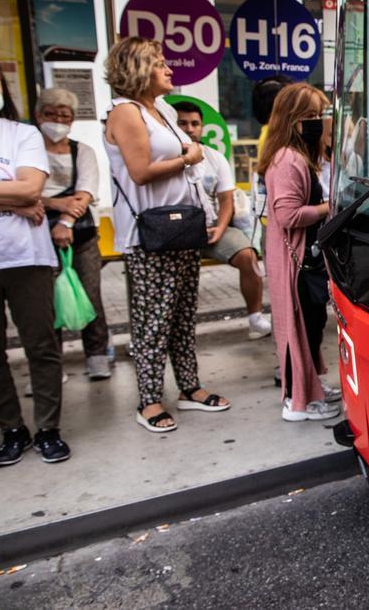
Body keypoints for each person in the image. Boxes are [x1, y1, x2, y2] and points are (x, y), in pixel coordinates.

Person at [103, 36, 230, 433]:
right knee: (153, 321)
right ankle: (149, 399)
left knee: (180, 316)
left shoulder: (158, 110)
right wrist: (187, 157)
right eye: (159, 63)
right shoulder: (126, 112)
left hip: (180, 227)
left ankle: (188, 387)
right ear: (138, 69)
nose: (169, 69)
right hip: (150, 232)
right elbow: (140, 171)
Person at [0, 52, 70, 465]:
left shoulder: (22, 135)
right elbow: (21, 196)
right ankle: (12, 429)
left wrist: (14, 198)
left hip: (27, 257)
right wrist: (11, 200)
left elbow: (30, 191)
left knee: (41, 346)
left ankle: (48, 429)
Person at [259, 82, 340, 422]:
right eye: (310, 115)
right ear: (292, 119)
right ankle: (297, 402)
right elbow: (288, 215)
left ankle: (310, 387)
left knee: (311, 323)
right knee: (299, 327)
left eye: (320, 114)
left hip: (306, 258)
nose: (318, 122)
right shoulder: (288, 160)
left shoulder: (300, 156)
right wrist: (329, 207)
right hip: (296, 261)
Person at [172, 100, 271, 340]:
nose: (190, 128)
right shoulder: (165, 158)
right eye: (183, 123)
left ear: (202, 127)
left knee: (248, 256)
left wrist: (219, 229)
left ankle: (255, 319)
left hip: (213, 227)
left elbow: (226, 200)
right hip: (175, 232)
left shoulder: (215, 158)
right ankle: (171, 330)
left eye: (195, 123)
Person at [35, 87, 112, 381]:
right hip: (37, 236)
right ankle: (50, 363)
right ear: (39, 115)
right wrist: (53, 203)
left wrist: (64, 221)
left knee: (90, 295)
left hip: (81, 234)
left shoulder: (83, 152)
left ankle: (96, 355)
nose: (57, 120)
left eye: (64, 115)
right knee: (45, 301)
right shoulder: (28, 152)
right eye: (51, 114)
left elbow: (84, 194)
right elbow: (23, 193)